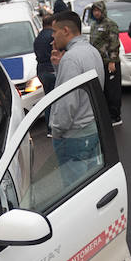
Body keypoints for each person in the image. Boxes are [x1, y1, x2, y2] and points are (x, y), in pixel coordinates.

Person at [49, 10, 105, 184]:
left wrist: (56, 131)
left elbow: (67, 103)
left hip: (74, 136)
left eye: (54, 31)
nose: (52, 37)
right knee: (91, 186)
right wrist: (59, 68)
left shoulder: (71, 59)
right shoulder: (91, 51)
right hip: (92, 128)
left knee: (76, 190)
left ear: (66, 30)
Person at [89, 0, 122, 126]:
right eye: (94, 11)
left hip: (110, 63)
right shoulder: (93, 25)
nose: (96, 13)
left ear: (103, 11)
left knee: (112, 90)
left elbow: (114, 43)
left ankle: (116, 116)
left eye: (98, 10)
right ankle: (107, 115)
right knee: (102, 89)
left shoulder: (110, 24)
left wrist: (112, 61)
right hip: (98, 62)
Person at [34, 14, 56, 135]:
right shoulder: (51, 36)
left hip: (41, 70)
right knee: (56, 99)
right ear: (52, 23)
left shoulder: (38, 38)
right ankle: (54, 127)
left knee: (48, 98)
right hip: (51, 69)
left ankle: (49, 128)